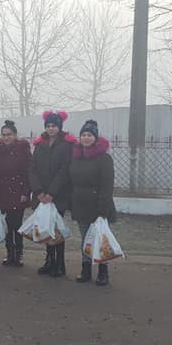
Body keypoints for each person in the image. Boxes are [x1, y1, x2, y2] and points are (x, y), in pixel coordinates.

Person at [69, 120, 117, 286]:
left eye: (90, 135)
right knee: (85, 239)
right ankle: (86, 269)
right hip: (80, 204)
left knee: (100, 239)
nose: (86, 138)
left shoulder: (104, 158)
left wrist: (102, 210)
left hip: (98, 205)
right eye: (83, 135)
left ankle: (103, 271)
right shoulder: (76, 157)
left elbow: (107, 185)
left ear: (95, 138)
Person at [29, 110, 75, 277]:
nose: (51, 128)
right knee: (46, 229)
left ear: (60, 126)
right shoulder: (40, 144)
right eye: (48, 126)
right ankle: (49, 260)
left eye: (54, 125)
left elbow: (65, 170)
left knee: (57, 230)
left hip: (58, 195)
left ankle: (60, 264)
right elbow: (32, 168)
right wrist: (39, 191)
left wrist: (51, 193)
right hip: (42, 195)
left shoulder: (67, 145)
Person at [0, 120, 31, 266]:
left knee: (17, 225)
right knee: (7, 224)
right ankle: (9, 252)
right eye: (4, 135)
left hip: (18, 190)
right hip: (2, 191)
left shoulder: (23, 148)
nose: (6, 137)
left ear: (15, 135)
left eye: (9, 134)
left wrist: (25, 192)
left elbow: (27, 172)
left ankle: (19, 253)